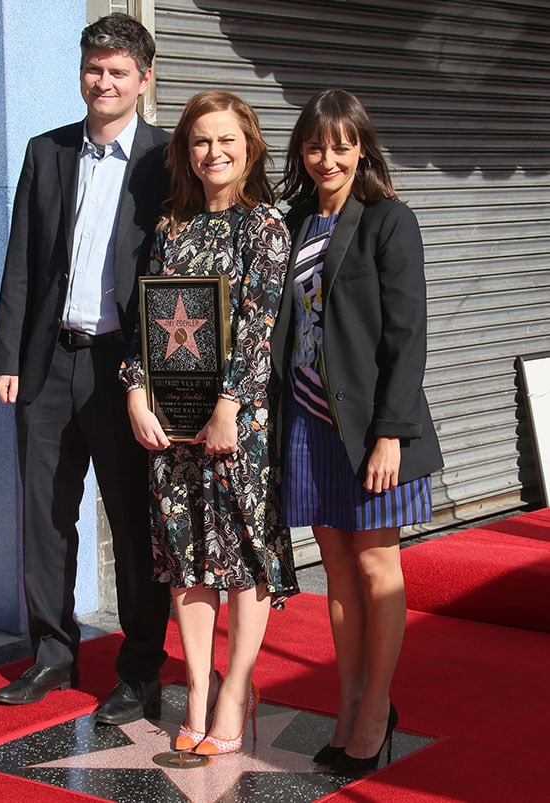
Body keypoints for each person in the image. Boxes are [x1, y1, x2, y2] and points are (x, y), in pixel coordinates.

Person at [0, 13, 171, 723]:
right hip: (47, 365)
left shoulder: (165, 160)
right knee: (45, 516)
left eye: (119, 71)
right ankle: (53, 657)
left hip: (122, 372)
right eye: (95, 68)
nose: (104, 81)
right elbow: (22, 264)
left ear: (144, 80)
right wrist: (8, 355)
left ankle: (138, 669)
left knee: (132, 523)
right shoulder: (48, 152)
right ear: (82, 72)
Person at [120, 90, 299, 755]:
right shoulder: (171, 227)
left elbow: (258, 327)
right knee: (187, 558)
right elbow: (149, 325)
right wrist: (136, 392)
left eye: (226, 139)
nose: (214, 152)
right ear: (185, 152)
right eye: (200, 141)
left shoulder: (266, 228)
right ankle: (197, 686)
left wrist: (229, 406)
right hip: (172, 431)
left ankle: (236, 687)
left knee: (244, 555)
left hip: (238, 426)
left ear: (248, 146)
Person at [275, 89, 443, 775]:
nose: (327, 158)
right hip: (308, 422)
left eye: (340, 144)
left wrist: (391, 433)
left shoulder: (388, 221)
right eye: (315, 145)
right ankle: (346, 704)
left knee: (376, 566)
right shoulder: (290, 222)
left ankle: (377, 707)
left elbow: (408, 334)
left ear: (361, 147)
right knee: (337, 572)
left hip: (371, 427)